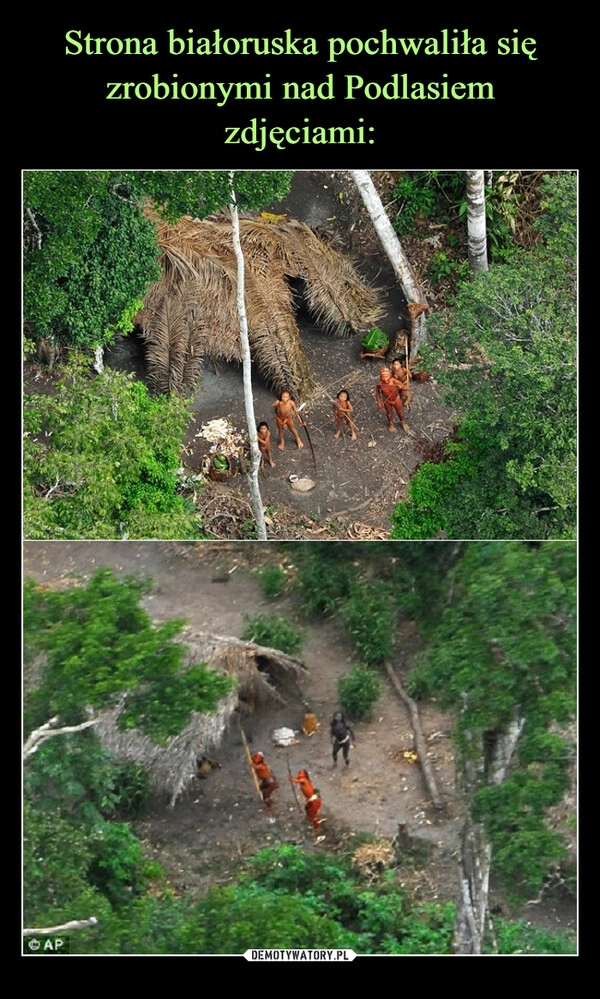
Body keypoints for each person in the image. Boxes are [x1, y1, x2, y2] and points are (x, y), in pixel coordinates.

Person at [375, 366, 409, 433]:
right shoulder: (379, 384)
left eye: (386, 376)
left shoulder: (394, 381)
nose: (385, 379)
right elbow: (377, 393)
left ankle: (403, 422)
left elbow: (403, 387)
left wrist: (402, 387)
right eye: (383, 377)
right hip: (387, 400)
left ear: (389, 376)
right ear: (381, 377)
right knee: (389, 413)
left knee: (400, 412)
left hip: (396, 399)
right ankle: (391, 423)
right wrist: (379, 402)